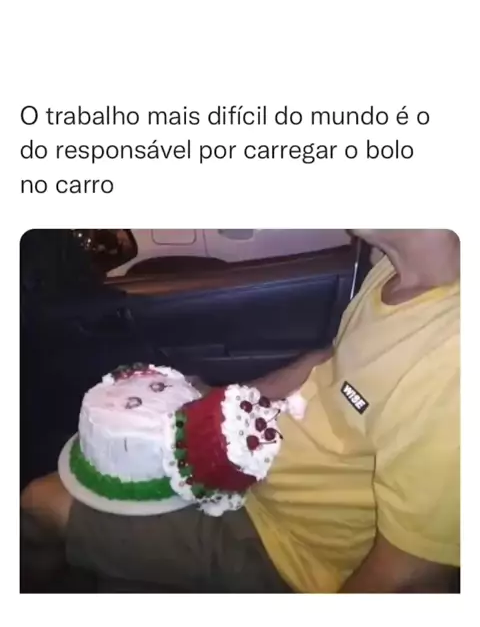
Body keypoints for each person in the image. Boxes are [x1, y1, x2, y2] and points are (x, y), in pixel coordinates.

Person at [20, 230, 460, 593]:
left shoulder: (453, 358)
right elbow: (327, 360)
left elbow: (408, 578)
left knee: (40, 503)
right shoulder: (394, 270)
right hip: (246, 471)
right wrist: (220, 398)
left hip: (285, 549)